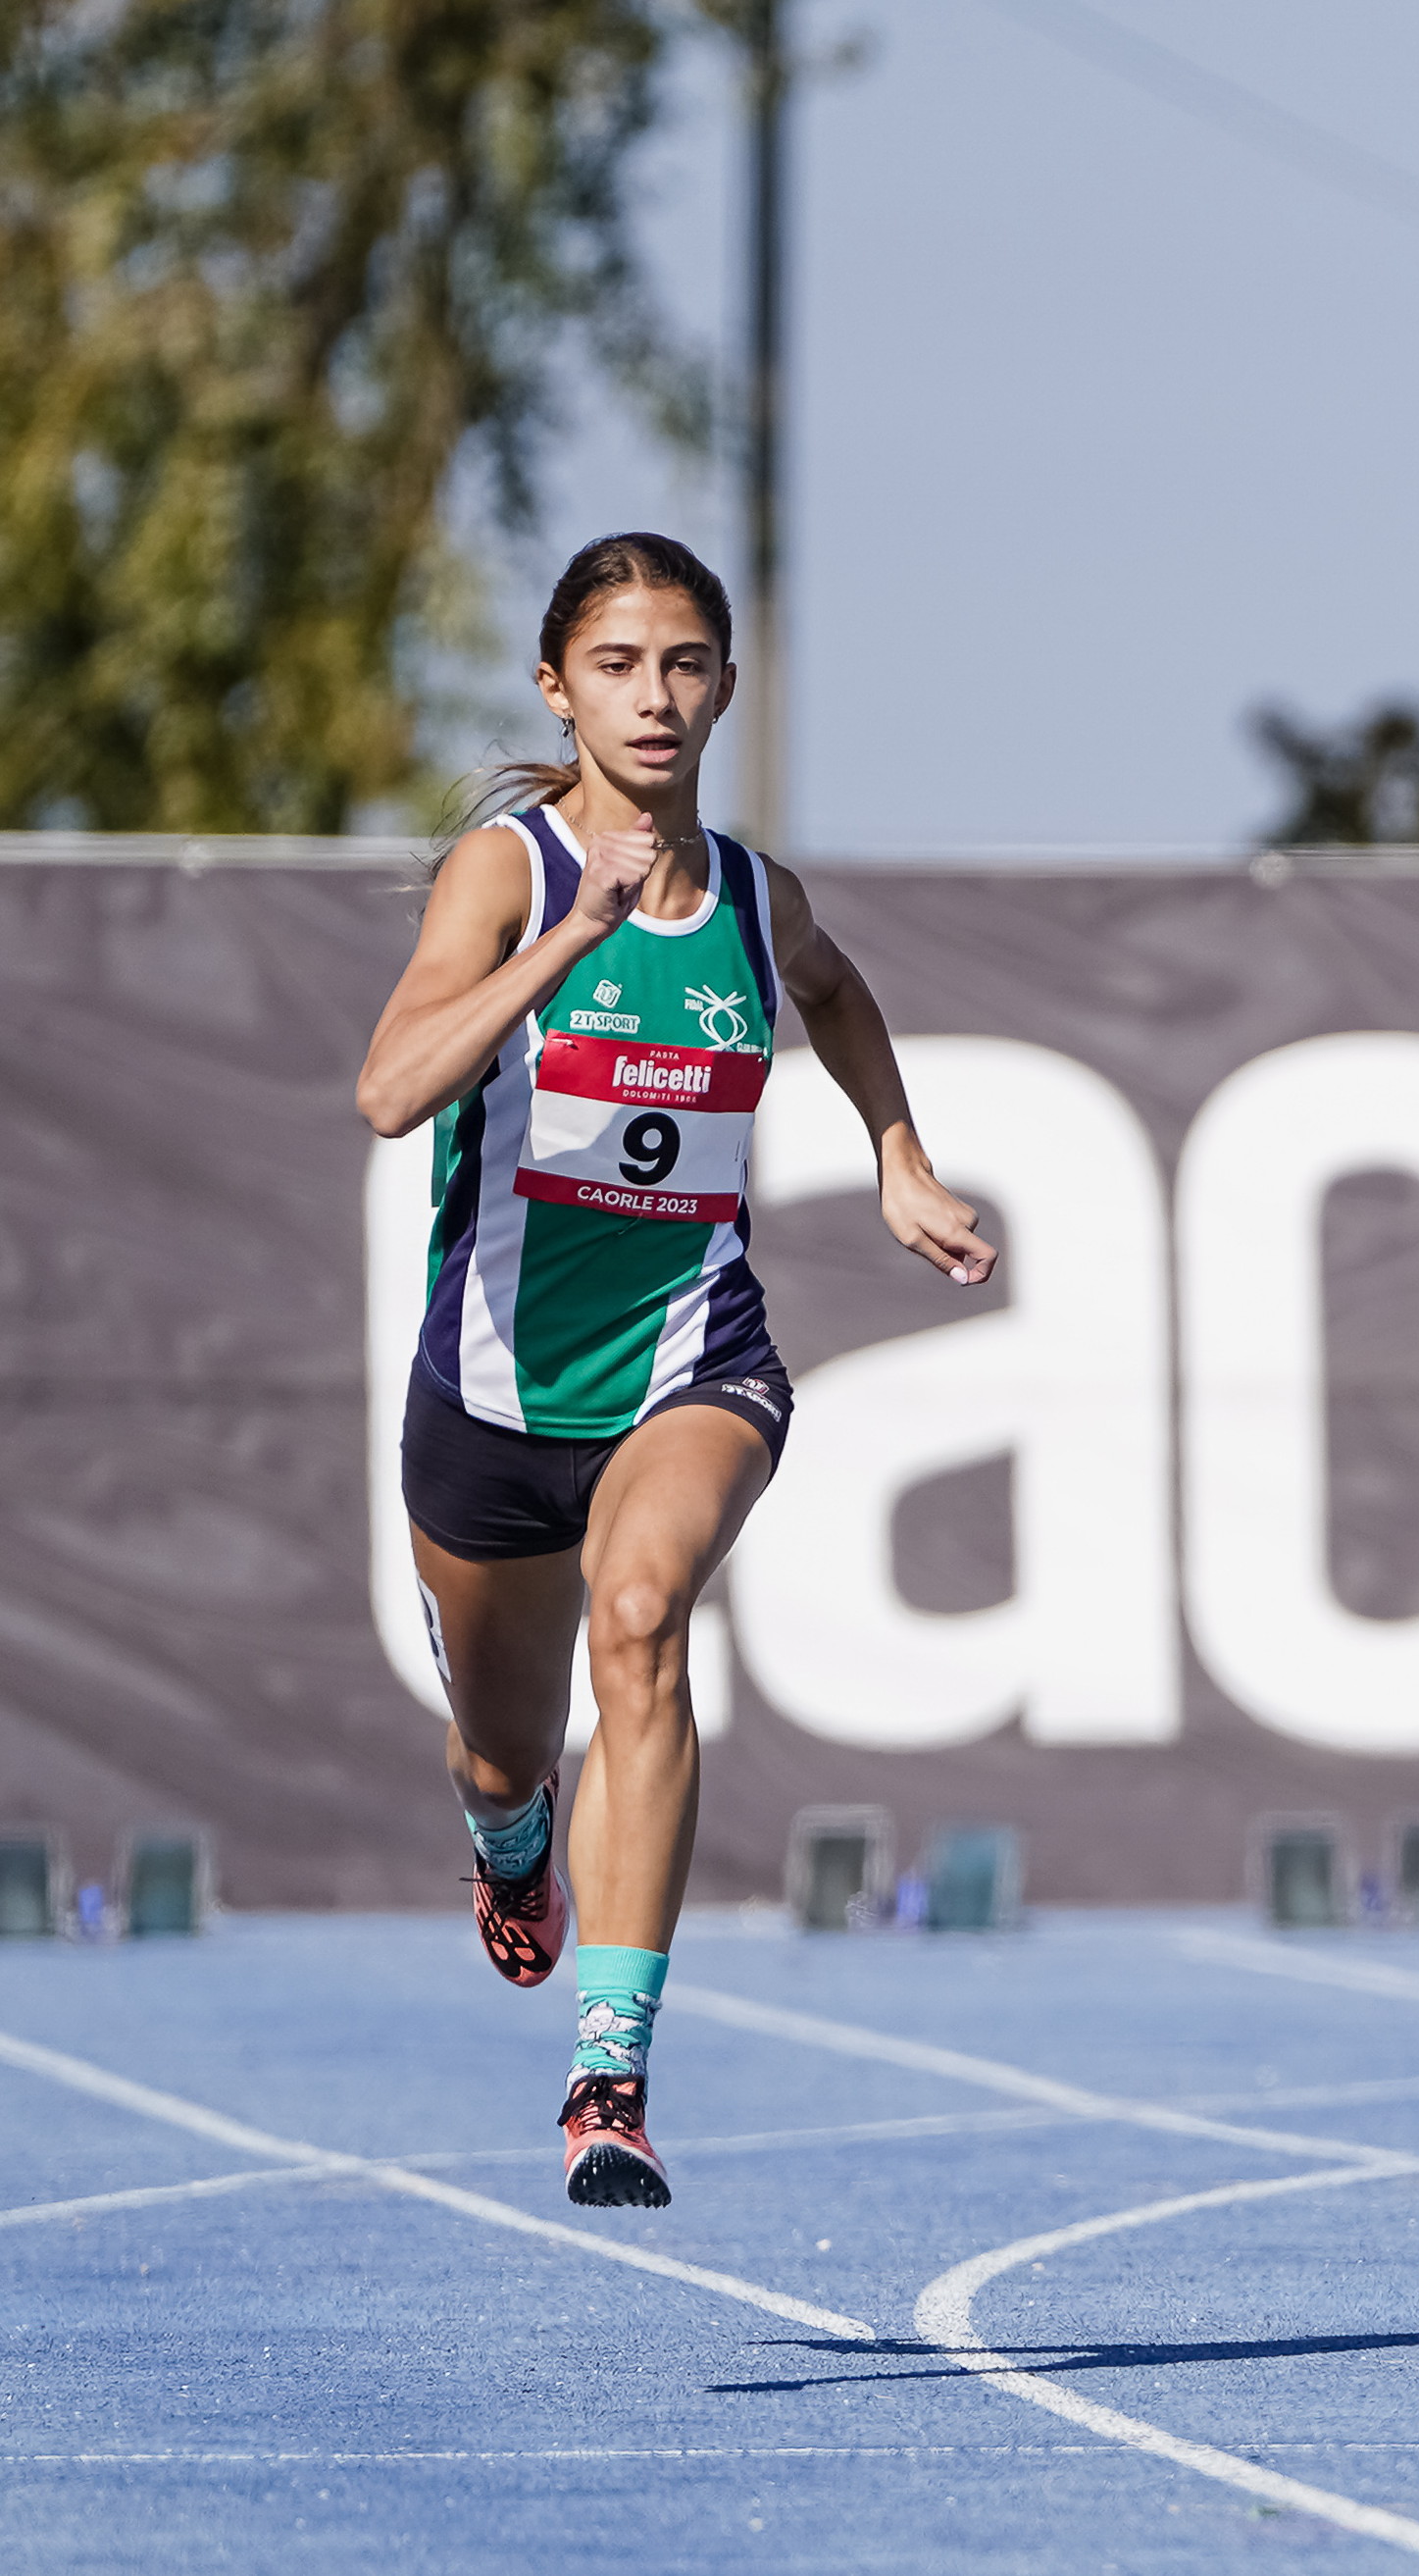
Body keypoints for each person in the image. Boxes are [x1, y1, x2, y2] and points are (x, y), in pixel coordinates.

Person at [354, 533, 992, 2206]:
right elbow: (389, 1089)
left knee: (639, 1618)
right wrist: (561, 946)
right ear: (557, 686)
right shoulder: (505, 869)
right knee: (503, 1754)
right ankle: (512, 1845)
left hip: (690, 1359)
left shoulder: (762, 900)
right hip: (490, 1400)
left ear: (722, 684)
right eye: (620, 665)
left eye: (686, 662)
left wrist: (898, 1155)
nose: (656, 696)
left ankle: (607, 2074)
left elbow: (838, 997)